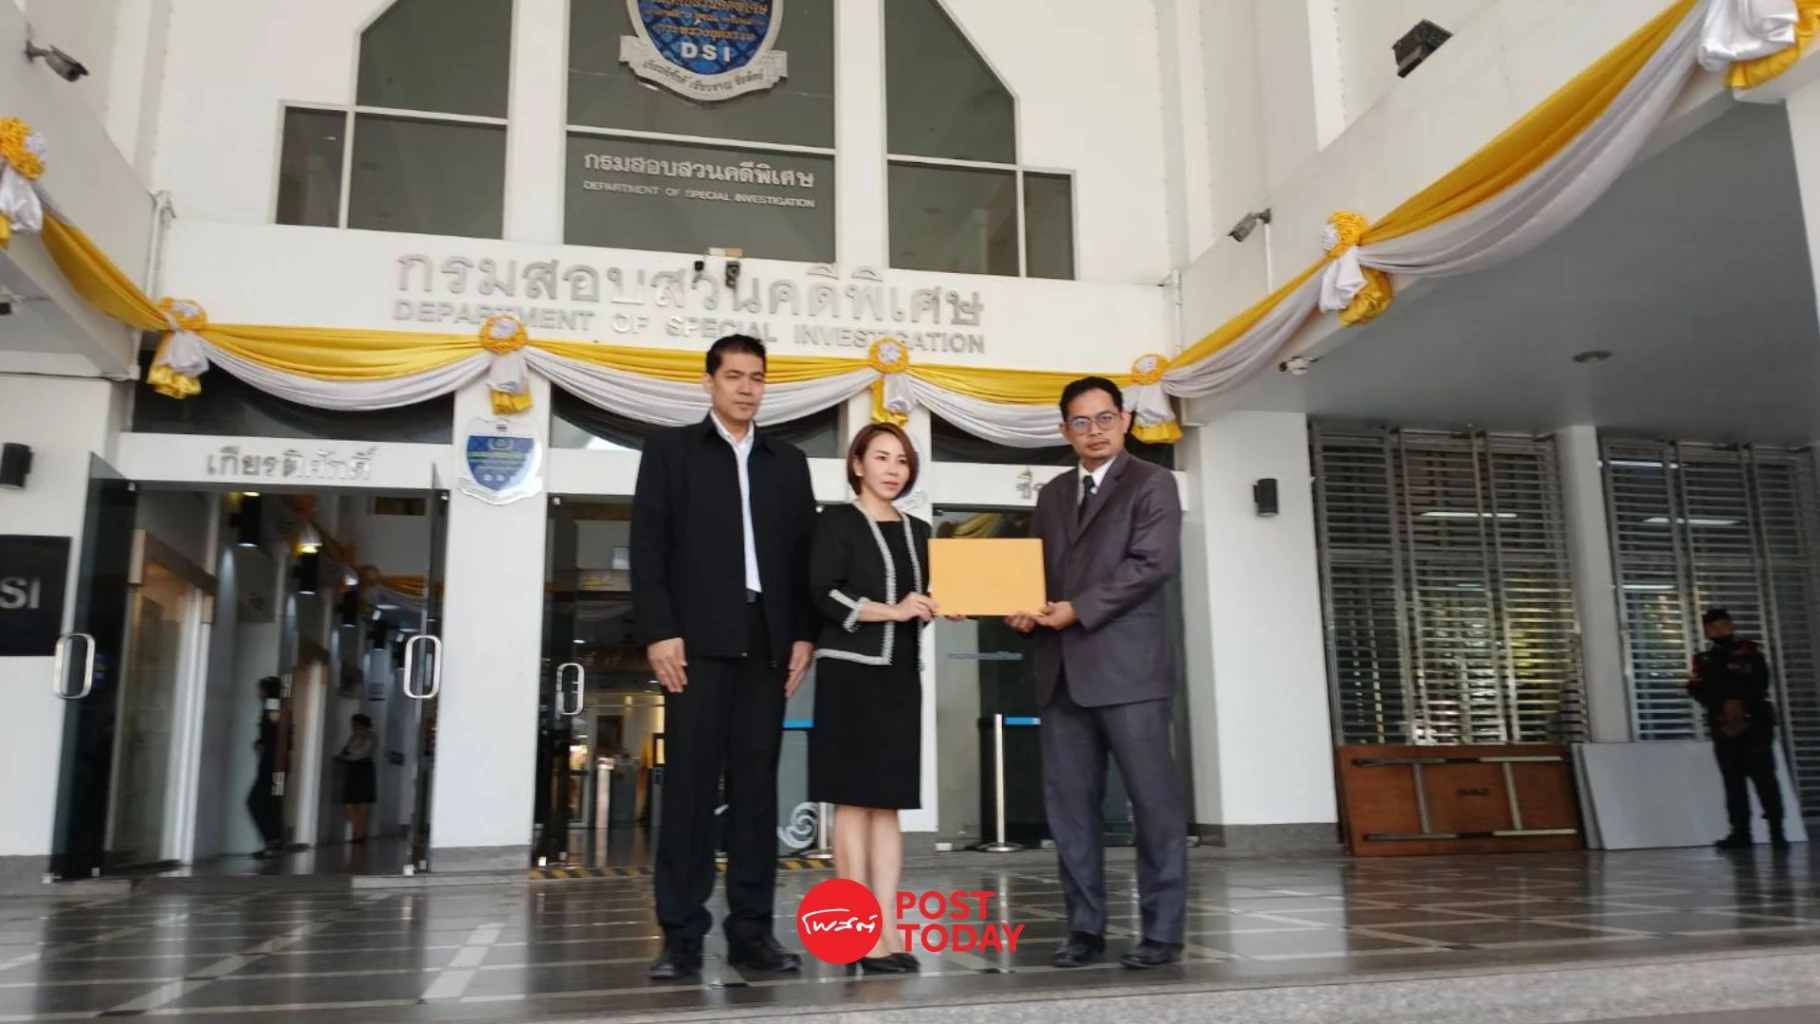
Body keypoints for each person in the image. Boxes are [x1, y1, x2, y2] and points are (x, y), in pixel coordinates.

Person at [630, 334, 819, 981]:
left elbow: (803, 555)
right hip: (695, 644)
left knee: (756, 792)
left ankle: (752, 933)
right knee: (688, 790)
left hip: (767, 643)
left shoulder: (787, 462)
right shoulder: (671, 452)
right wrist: (660, 631)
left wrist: (803, 634)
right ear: (708, 382)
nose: (746, 388)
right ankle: (681, 936)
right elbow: (648, 547)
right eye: (734, 376)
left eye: (756, 377)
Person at [1009, 376, 1188, 970]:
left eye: (1105, 418)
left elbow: (1151, 564)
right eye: (1081, 422)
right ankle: (1084, 929)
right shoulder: (1053, 494)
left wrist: (1077, 609)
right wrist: (1022, 608)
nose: (1095, 431)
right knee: (1070, 813)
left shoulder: (1152, 482)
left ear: (1125, 421)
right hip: (1062, 675)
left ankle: (1162, 932)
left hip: (1130, 674)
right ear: (1065, 431)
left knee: (1154, 807)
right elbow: (1035, 574)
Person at [807, 423, 939, 974]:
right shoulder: (835, 521)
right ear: (857, 464)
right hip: (849, 675)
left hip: (900, 676)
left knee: (888, 805)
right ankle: (856, 933)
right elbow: (823, 592)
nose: (893, 469)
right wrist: (895, 610)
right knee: (853, 802)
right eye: (881, 457)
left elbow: (927, 595)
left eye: (902, 460)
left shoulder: (920, 530)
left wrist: (940, 604)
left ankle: (886, 930)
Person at [1689, 608, 1789, 851]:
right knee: (1733, 781)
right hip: (1723, 726)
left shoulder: (1749, 651)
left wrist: (1741, 705)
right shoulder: (1703, 659)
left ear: (1732, 626)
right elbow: (1696, 688)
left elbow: (1760, 682)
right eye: (1712, 627)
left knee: (1764, 777)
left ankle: (1777, 831)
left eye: (1723, 625)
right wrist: (1721, 707)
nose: (1719, 630)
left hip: (1754, 724)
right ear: (1706, 631)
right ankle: (1740, 831)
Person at [247, 675, 285, 858]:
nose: (259, 693)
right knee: (270, 801)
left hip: (273, 765)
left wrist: (263, 744)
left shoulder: (272, 705)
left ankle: (272, 840)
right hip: (274, 764)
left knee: (258, 801)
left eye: (261, 689)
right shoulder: (273, 706)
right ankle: (272, 841)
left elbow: (275, 730)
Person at [335, 714, 378, 843]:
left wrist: (346, 757)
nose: (353, 727)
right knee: (350, 802)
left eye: (355, 724)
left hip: (362, 768)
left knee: (361, 801)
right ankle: (360, 832)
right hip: (353, 768)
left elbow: (361, 753)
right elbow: (346, 751)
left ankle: (359, 833)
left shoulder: (369, 736)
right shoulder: (354, 737)